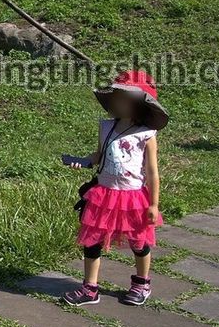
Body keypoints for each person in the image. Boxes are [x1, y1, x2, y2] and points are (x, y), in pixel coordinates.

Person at [62, 70, 169, 307]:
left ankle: (142, 283)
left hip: (133, 198)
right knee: (92, 241)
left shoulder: (146, 135)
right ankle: (90, 288)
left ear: (140, 103)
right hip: (103, 195)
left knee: (139, 242)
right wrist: (84, 161)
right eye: (117, 97)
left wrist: (153, 204)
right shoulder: (106, 127)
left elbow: (152, 172)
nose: (118, 101)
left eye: (125, 97)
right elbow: (99, 156)